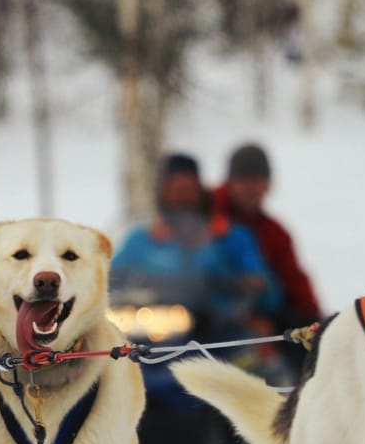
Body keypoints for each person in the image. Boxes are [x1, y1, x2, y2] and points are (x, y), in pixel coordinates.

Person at [111, 152, 282, 353]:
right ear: (163, 192)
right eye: (175, 188)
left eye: (188, 188)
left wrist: (249, 286)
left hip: (214, 331)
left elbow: (265, 288)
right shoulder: (140, 239)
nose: (182, 195)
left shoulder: (227, 236)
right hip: (147, 331)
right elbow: (111, 278)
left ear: (200, 191)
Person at [210, 142, 323, 330]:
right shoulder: (205, 212)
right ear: (230, 182)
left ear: (268, 184)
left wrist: (314, 319)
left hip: (256, 312)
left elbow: (294, 280)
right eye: (243, 180)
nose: (251, 188)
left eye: (257, 180)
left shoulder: (275, 233)